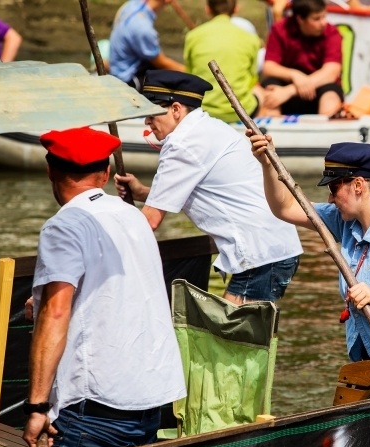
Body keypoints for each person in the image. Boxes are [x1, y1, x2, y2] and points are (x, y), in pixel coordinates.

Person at [22, 127, 186, 447]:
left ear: (50, 169)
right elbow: (118, 290)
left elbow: (56, 314)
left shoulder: (63, 226)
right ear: (106, 174)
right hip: (150, 397)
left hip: (94, 407)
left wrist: (37, 406)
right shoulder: (134, 217)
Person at [248, 133, 370, 385]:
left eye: (334, 188)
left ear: (358, 186)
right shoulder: (344, 221)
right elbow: (285, 207)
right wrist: (267, 163)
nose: (330, 199)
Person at [114, 70, 303, 304]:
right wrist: (142, 192)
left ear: (175, 110)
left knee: (233, 338)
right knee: (234, 334)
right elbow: (188, 192)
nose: (146, 121)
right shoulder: (207, 127)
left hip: (261, 253)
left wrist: (106, 246)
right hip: (271, 248)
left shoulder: (182, 144)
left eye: (152, 113)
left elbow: (150, 220)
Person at [259, 0, 343, 117]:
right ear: (300, 19)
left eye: (324, 16)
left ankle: (327, 131)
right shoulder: (280, 29)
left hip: (317, 87)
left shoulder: (332, 32)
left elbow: (331, 73)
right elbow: (269, 67)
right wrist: (294, 74)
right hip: (286, 86)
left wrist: (290, 90)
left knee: (330, 97)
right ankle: (272, 132)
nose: (323, 23)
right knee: (270, 92)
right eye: (316, 19)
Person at [184, 0, 262, 123]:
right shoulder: (252, 39)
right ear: (236, 9)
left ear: (207, 9)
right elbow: (252, 80)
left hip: (203, 109)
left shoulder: (192, 36)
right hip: (241, 112)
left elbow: (190, 74)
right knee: (261, 92)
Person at [108, 0, 185, 91]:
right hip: (126, 79)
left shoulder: (132, 4)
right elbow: (162, 63)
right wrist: (192, 71)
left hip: (116, 67)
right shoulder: (142, 27)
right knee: (177, 81)